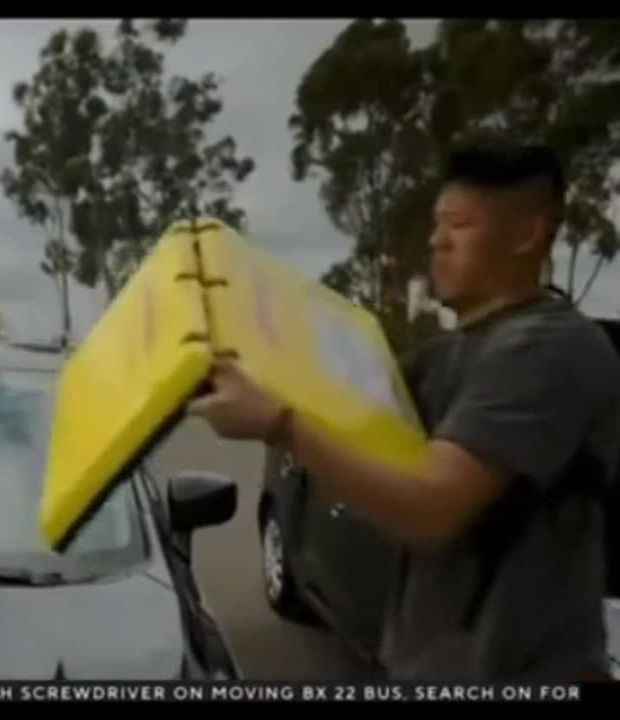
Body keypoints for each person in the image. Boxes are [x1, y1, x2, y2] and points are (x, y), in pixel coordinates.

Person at [190, 144, 620, 682]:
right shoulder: (444, 355)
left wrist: (281, 424)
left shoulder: (551, 349)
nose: (436, 239)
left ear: (525, 236)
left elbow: (430, 510)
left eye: (459, 224)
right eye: (438, 222)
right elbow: (345, 411)